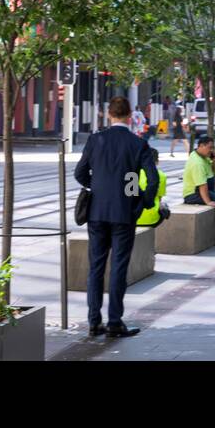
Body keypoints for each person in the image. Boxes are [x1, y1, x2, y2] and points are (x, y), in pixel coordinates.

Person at [73, 96, 159, 338]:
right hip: (124, 212)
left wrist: (98, 186)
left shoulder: (95, 139)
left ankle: (93, 321)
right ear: (129, 116)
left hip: (97, 212)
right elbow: (151, 180)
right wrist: (144, 200)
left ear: (108, 115)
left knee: (96, 267)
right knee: (119, 266)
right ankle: (114, 321)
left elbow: (79, 173)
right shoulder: (137, 143)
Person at [136, 148, 168, 227]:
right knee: (165, 207)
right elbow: (159, 198)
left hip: (131, 219)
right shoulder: (161, 175)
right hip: (152, 220)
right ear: (157, 162)